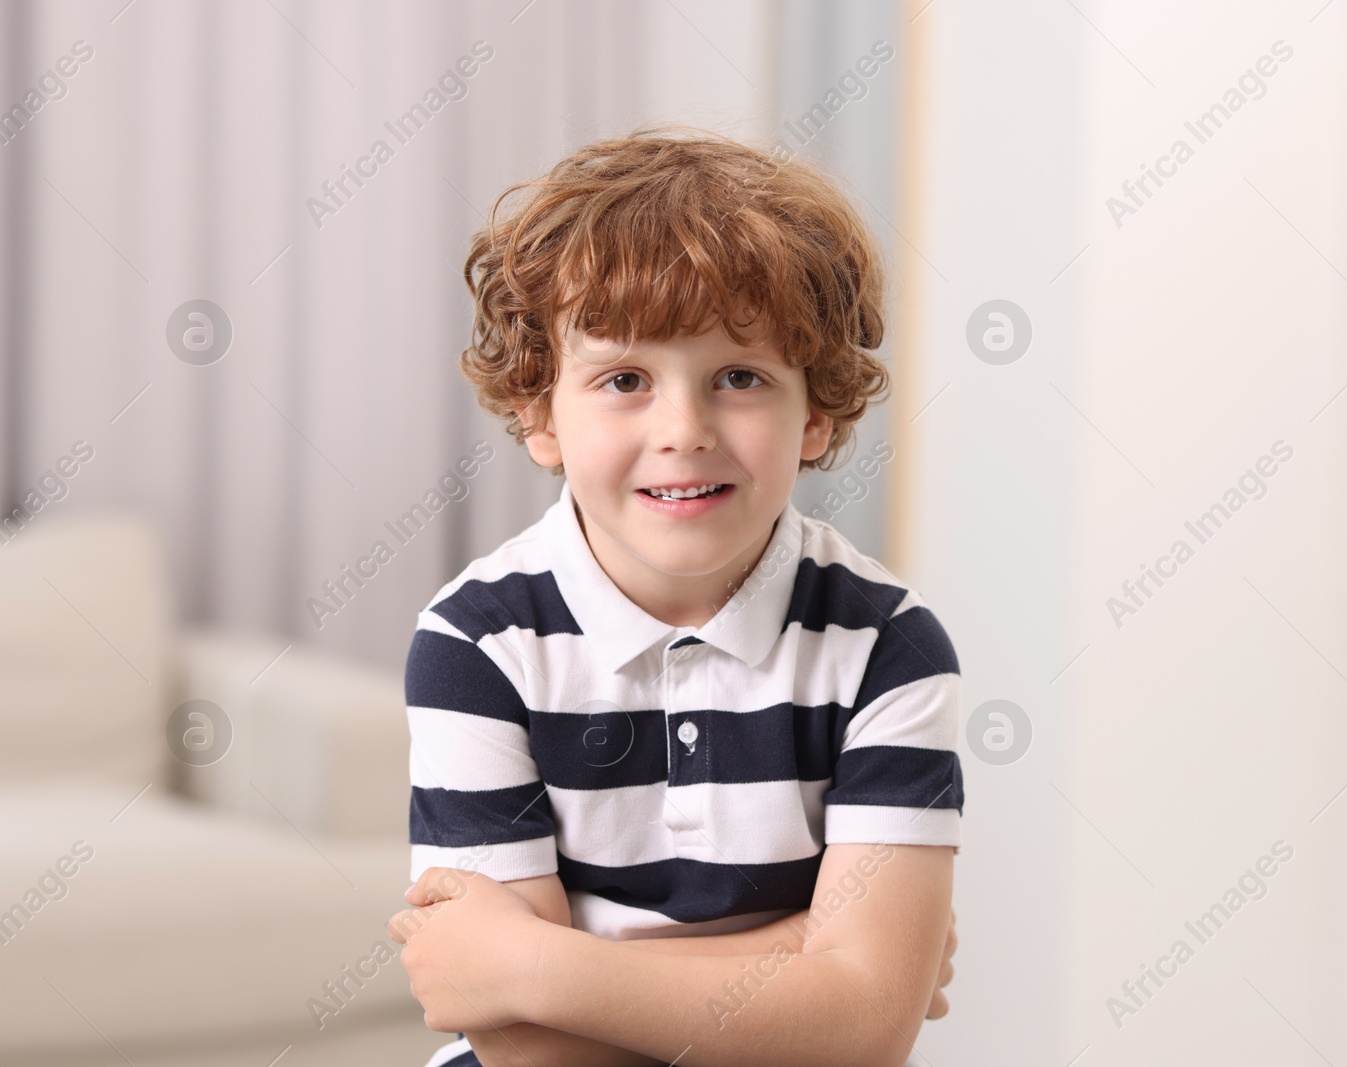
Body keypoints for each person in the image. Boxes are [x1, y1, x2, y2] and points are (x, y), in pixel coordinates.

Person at [388, 125, 964, 1067]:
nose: (683, 429)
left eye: (740, 377)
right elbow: (523, 1049)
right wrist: (801, 964)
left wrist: (533, 963)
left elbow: (867, 1031)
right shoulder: (476, 641)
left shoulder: (887, 645)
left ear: (814, 412)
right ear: (539, 412)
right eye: (624, 379)